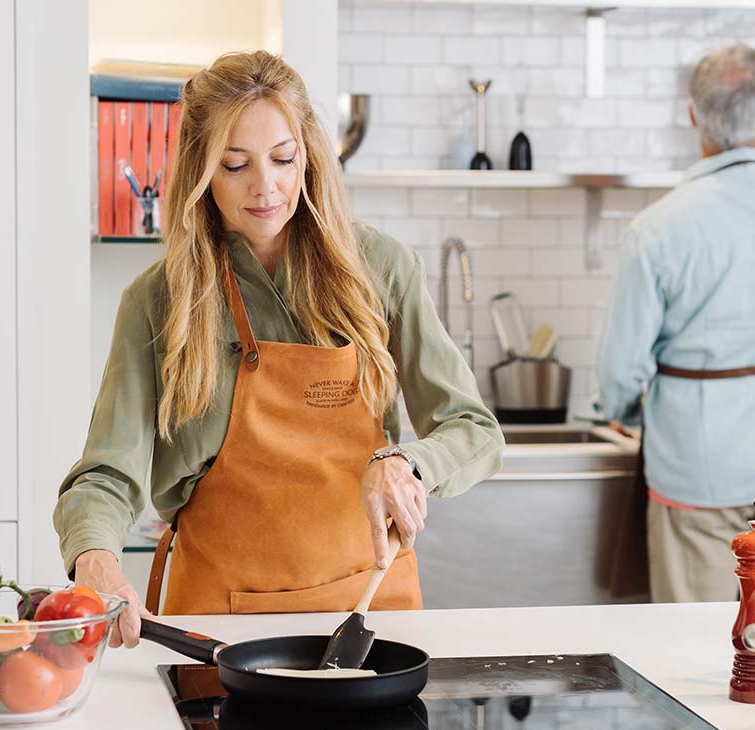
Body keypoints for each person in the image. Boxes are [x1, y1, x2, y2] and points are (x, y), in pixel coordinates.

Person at [55, 51, 503, 645]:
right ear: (201, 173)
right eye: (235, 165)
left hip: (371, 619)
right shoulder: (158, 301)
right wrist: (94, 556)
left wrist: (409, 463)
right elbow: (107, 475)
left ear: (309, 157)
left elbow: (475, 429)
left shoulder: (383, 270)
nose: (265, 187)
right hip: (219, 625)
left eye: (283, 159)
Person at [596, 44, 755, 603]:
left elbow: (620, 369)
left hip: (697, 469)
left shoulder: (655, 228)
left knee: (695, 650)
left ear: (692, 114)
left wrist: (615, 412)